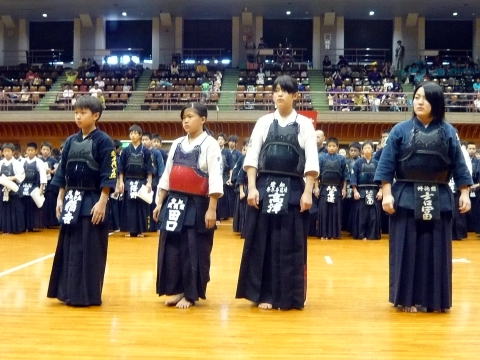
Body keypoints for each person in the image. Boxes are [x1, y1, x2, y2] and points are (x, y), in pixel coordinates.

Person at [374, 81, 472, 313]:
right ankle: (406, 299)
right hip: (406, 195)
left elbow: (459, 165)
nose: (419, 102)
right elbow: (387, 165)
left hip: (438, 195)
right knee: (406, 249)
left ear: (436, 103)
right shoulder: (400, 130)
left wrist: (465, 192)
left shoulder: (450, 132)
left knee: (436, 250)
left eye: (425, 98)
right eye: (417, 97)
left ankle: (435, 299)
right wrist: (387, 194)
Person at [236, 75, 319, 310]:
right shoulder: (263, 122)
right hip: (264, 188)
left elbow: (311, 162)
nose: (279, 94)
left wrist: (307, 192)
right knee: (263, 240)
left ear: (295, 96)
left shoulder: (304, 124)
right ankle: (263, 293)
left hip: (293, 189)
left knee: (289, 243)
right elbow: (252, 158)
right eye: (276, 90)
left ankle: (288, 295)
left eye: (285, 91)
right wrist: (252, 187)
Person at [47, 96, 117, 306]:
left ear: (95, 115)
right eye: (76, 112)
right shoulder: (70, 141)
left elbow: (109, 173)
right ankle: (66, 291)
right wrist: (60, 198)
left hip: (92, 200)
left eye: (83, 112)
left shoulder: (104, 141)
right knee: (69, 248)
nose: (78, 116)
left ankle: (86, 294)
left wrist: (103, 201)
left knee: (90, 248)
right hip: (71, 200)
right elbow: (62, 171)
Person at [153, 103, 223, 309]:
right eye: (184, 116)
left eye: (190, 116)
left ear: (203, 119)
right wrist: (159, 202)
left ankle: (191, 294)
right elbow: (167, 175)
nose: (185, 120)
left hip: (197, 204)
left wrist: (212, 208)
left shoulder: (210, 144)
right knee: (172, 249)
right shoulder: (176, 143)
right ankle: (176, 289)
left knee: (193, 249)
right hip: (174, 202)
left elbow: (216, 178)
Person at [117, 124, 154, 237]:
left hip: (141, 181)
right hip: (128, 182)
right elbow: (121, 168)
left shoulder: (146, 151)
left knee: (141, 207)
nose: (132, 135)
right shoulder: (126, 150)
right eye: (131, 133)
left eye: (135, 133)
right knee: (129, 207)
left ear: (140, 135)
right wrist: (121, 182)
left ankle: (141, 231)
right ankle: (130, 229)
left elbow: (149, 168)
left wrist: (149, 183)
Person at [316, 137, 348, 239]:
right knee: (324, 211)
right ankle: (323, 234)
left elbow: (345, 176)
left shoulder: (342, 159)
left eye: (334, 146)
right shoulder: (321, 158)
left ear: (337, 147)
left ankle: (334, 234)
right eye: (329, 146)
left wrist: (344, 189)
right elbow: (316, 175)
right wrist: (316, 187)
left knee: (335, 211)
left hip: (337, 188)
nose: (332, 148)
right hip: (324, 187)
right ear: (326, 147)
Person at [350, 141, 382, 240]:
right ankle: (361, 234)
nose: (367, 150)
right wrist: (355, 191)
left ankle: (372, 235)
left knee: (373, 215)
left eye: (369, 148)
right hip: (361, 191)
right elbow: (353, 176)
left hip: (374, 191)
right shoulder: (357, 163)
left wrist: (381, 190)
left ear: (372, 150)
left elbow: (382, 177)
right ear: (362, 150)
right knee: (362, 215)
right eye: (365, 148)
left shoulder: (377, 163)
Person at [20, 142, 47, 232]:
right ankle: (24, 225)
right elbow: (19, 175)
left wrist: (41, 189)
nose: (30, 152)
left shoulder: (39, 162)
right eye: (28, 150)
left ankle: (33, 226)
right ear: (26, 151)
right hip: (23, 187)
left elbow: (43, 176)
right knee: (23, 206)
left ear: (36, 151)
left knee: (33, 207)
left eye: (32, 150)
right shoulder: (22, 161)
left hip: (34, 187)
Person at [0, 143, 26, 234]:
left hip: (13, 188)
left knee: (15, 208)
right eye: (5, 151)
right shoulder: (1, 163)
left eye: (8, 151)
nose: (6, 153)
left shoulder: (17, 163)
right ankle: (4, 228)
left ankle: (15, 228)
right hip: (3, 188)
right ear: (2, 152)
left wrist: (12, 178)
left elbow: (21, 176)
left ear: (13, 152)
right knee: (3, 208)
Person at [39, 142, 59, 228]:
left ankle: (52, 223)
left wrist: (51, 171)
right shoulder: (38, 161)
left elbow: (57, 171)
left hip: (51, 185)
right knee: (42, 204)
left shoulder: (54, 160)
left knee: (50, 203)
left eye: (47, 149)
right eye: (44, 149)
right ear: (40, 150)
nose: (45, 151)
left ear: (50, 151)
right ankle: (42, 223)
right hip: (41, 185)